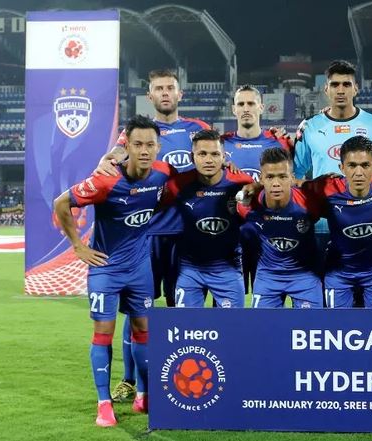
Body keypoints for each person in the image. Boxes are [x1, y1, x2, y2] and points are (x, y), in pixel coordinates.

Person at [96, 69, 210, 403]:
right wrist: (107, 160)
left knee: (179, 307)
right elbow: (115, 156)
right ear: (150, 96)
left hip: (184, 233)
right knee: (136, 310)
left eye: (170, 88)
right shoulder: (138, 133)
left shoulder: (197, 129)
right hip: (143, 236)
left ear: (180, 93)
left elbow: (217, 156)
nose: (165, 93)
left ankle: (179, 374)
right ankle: (129, 381)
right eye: (159, 88)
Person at [53, 116, 175, 426]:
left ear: (158, 147)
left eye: (150, 145)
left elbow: (173, 193)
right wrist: (78, 246)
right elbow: (61, 204)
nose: (144, 150)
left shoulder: (163, 174)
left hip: (140, 268)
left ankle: (143, 395)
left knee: (143, 330)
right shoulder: (106, 181)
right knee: (104, 333)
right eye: (138, 144)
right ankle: (104, 403)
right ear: (127, 147)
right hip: (106, 270)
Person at [292, 60, 372, 292]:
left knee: (366, 295)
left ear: (356, 88)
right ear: (326, 89)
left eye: (346, 84)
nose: (341, 90)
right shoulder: (309, 127)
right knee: (323, 298)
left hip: (364, 224)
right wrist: (316, 187)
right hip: (321, 227)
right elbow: (295, 175)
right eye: (335, 84)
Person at [299, 136, 372, 308]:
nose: (358, 173)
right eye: (352, 165)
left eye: (365, 165)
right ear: (342, 168)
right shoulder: (327, 188)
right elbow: (293, 186)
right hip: (338, 273)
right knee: (338, 323)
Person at [161, 129, 253, 308]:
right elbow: (153, 211)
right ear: (192, 157)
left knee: (234, 325)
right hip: (189, 270)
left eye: (215, 154)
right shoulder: (177, 185)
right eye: (202, 154)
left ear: (224, 157)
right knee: (187, 324)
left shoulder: (241, 182)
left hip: (228, 269)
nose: (209, 160)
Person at [222, 84, 292, 296]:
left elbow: (290, 183)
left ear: (261, 107)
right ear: (233, 109)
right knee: (228, 299)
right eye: (241, 104)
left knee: (268, 297)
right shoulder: (221, 145)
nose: (246, 108)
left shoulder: (278, 143)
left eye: (251, 103)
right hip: (230, 233)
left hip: (268, 233)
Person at [237, 148, 323, 308]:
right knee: (260, 325)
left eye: (282, 177)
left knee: (311, 323)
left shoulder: (309, 202)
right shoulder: (248, 206)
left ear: (292, 178)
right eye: (270, 177)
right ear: (261, 179)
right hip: (268, 277)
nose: (276, 184)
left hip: (305, 276)